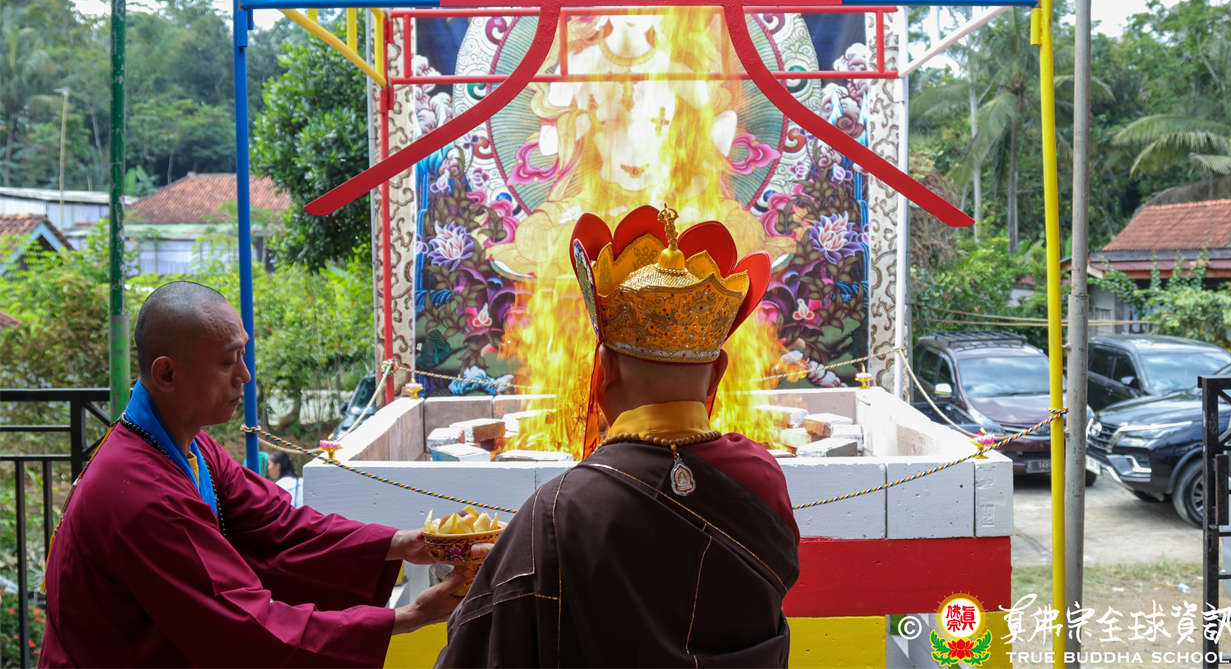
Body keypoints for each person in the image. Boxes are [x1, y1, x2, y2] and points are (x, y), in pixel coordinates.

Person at [41, 281, 484, 668]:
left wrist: (404, 543)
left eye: (243, 355)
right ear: (167, 373)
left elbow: (280, 527)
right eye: (227, 362)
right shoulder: (140, 493)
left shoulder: (189, 448)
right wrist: (409, 616)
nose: (245, 375)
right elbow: (241, 628)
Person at [435, 204, 800, 668]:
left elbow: (484, 646)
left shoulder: (559, 511)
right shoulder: (763, 477)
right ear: (718, 374)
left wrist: (515, 565)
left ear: (604, 370)